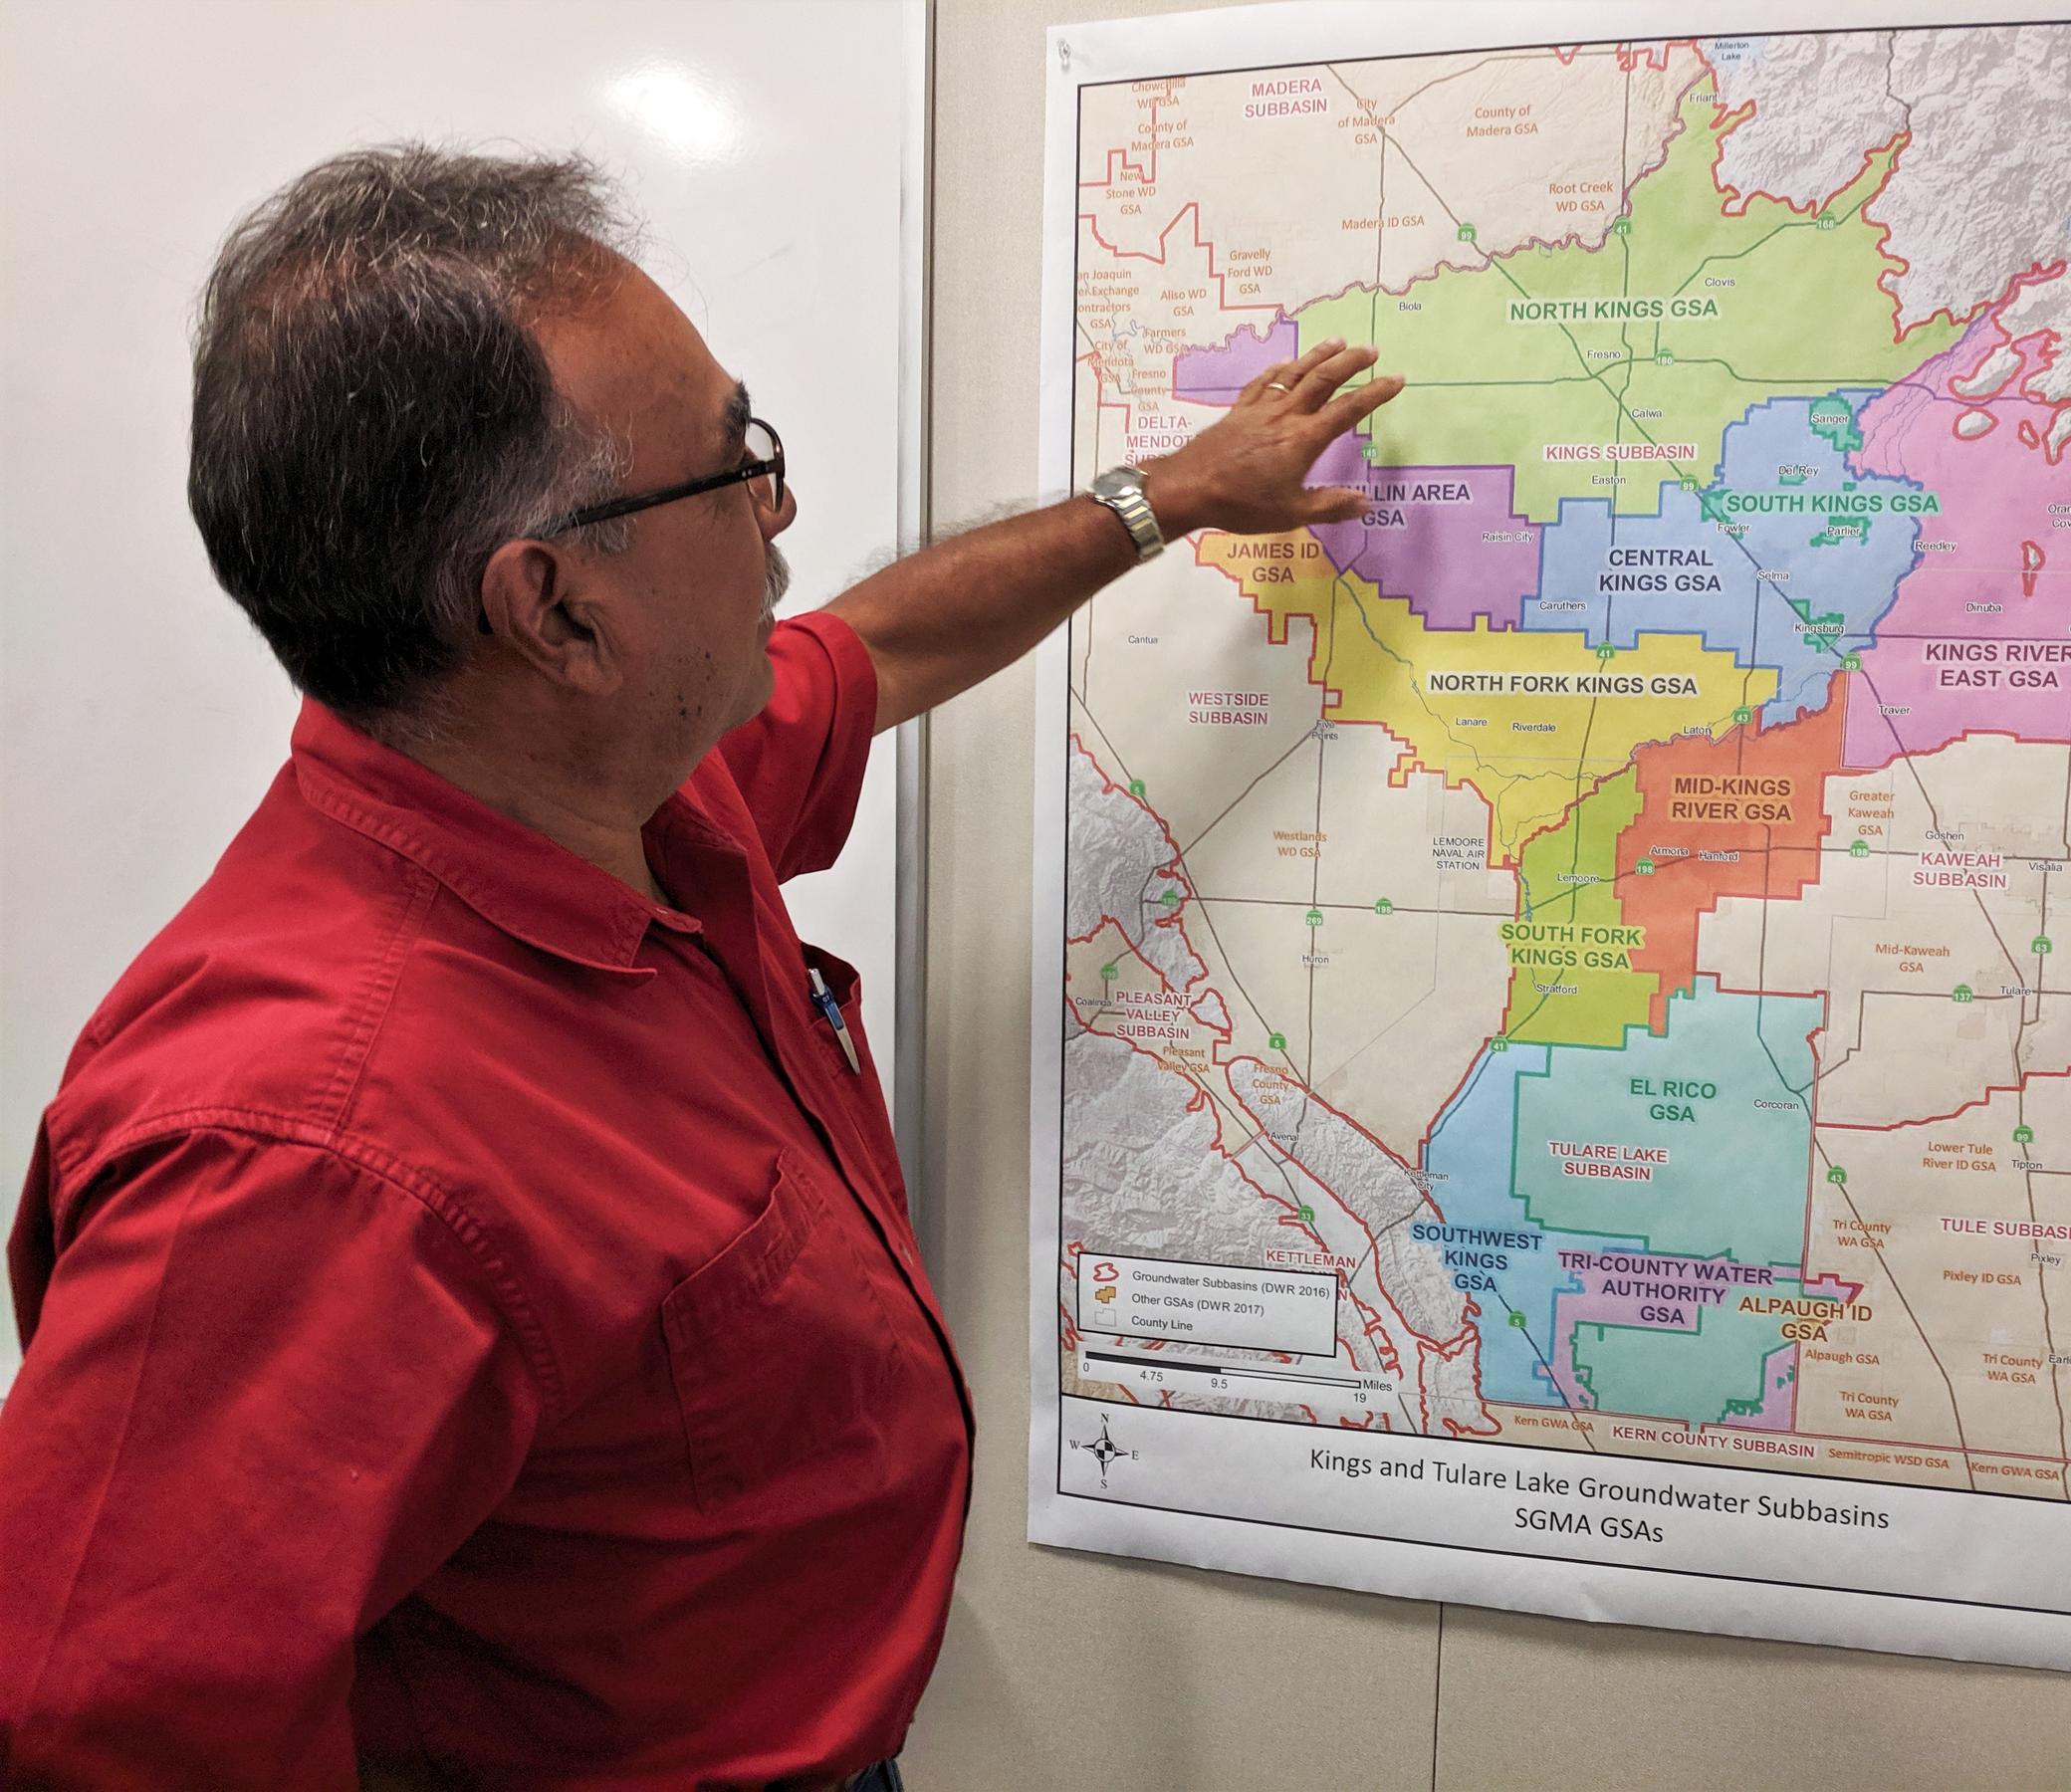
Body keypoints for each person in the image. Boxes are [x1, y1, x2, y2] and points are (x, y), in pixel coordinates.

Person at [0, 146, 1398, 1789]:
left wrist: (1165, 496)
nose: (777, 516)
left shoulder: (638, 786)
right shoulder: (314, 1152)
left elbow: (883, 645)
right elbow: (99, 1734)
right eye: (734, 467)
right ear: (558, 616)